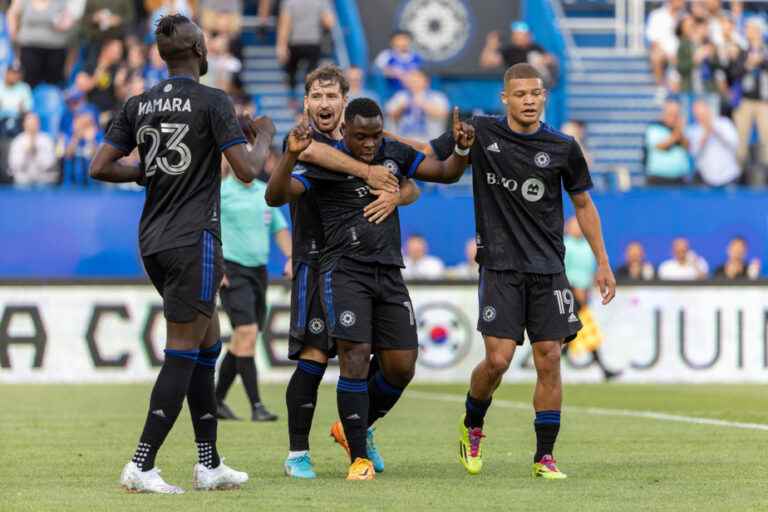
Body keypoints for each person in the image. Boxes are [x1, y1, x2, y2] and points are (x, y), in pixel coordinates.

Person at [89, 14, 269, 494]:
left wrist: (145, 172)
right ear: (200, 52)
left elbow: (99, 166)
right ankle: (141, 464)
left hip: (153, 240)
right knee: (184, 351)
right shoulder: (213, 101)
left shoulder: (139, 102)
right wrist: (265, 135)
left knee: (207, 347)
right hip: (195, 240)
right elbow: (248, 171)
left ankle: (209, 464)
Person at [267, 97, 474, 480]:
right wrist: (290, 157)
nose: (369, 144)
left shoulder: (393, 152)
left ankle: (352, 427)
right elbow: (275, 196)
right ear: (345, 131)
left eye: (375, 135)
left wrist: (461, 149)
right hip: (344, 271)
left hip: (389, 271)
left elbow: (444, 173)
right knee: (355, 356)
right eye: (361, 136)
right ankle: (359, 459)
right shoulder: (324, 160)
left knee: (401, 365)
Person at [425, 63, 616, 479]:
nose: (529, 100)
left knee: (550, 358)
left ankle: (544, 456)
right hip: (500, 266)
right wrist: (381, 152)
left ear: (544, 96)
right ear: (505, 98)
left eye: (536, 93)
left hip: (548, 269)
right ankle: (472, 424)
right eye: (521, 94)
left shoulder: (563, 146)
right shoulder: (481, 132)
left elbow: (583, 205)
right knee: (498, 360)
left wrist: (602, 261)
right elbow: (430, 154)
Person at [265, 65, 403, 480]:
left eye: (331, 97)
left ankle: (359, 431)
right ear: (306, 102)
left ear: (344, 102)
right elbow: (294, 171)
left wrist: (398, 191)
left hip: (362, 265)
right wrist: (371, 174)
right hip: (315, 258)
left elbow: (403, 164)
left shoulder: (360, 140)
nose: (324, 104)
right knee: (313, 357)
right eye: (317, 96)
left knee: (378, 357)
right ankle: (297, 454)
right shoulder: (304, 143)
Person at [214, 118, 289, 423]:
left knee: (244, 339)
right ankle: (256, 405)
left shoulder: (266, 192)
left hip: (258, 272)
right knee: (245, 333)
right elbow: (207, 228)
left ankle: (215, 400)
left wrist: (290, 257)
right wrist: (216, 265)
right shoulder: (221, 192)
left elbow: (281, 229)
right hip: (232, 269)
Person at [563, 217, 620, 381]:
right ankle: (603, 368)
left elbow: (591, 271)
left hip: (583, 293)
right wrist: (573, 290)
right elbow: (562, 270)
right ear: (568, 228)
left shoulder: (588, 247)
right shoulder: (565, 245)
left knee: (577, 329)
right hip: (569, 292)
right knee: (585, 329)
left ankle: (562, 354)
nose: (578, 229)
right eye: (575, 226)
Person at [276, 0, 334, 108]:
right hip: (313, 42)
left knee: (292, 73)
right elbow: (329, 22)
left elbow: (284, 24)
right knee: (311, 74)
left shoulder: (289, 2)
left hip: (295, 42)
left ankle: (293, 99)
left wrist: (281, 46)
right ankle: (309, 99)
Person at [731, 18, 768, 184]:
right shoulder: (742, 51)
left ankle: (766, 175)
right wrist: (748, 64)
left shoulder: (765, 51)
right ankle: (739, 174)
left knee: (767, 138)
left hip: (764, 102)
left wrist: (762, 61)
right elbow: (733, 73)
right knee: (741, 139)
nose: (747, 30)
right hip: (745, 101)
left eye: (750, 28)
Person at [480, 22, 558, 89]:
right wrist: (491, 45)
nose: (518, 37)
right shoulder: (510, 51)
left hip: (535, 89)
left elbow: (551, 60)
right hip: (517, 89)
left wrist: (544, 61)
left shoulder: (535, 48)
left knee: (534, 57)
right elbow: (486, 63)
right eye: (516, 34)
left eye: (523, 34)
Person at [385, 70, 449, 143]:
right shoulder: (400, 96)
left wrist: (423, 104)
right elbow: (390, 114)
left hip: (429, 141)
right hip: (404, 140)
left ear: (426, 81)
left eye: (416, 79)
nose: (413, 82)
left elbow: (443, 113)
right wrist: (403, 106)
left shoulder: (437, 96)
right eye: (411, 79)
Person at [687, 99, 740, 186]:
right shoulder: (693, 130)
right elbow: (694, 153)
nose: (701, 117)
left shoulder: (724, 123)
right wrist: (705, 136)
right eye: (698, 114)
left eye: (703, 113)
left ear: (708, 111)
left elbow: (734, 143)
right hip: (706, 180)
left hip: (729, 177)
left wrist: (715, 130)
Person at [644, 100, 691, 185]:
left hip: (680, 178)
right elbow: (661, 146)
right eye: (671, 113)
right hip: (659, 179)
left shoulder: (682, 130)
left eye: (676, 113)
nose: (674, 116)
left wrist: (680, 130)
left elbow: (687, 147)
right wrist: (678, 130)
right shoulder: (655, 128)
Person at [645, 0, 686, 94]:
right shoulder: (656, 15)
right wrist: (669, 55)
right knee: (655, 56)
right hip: (664, 53)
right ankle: (661, 88)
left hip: (681, 54)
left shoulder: (685, 16)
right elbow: (653, 40)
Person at [8, 111, 57, 185]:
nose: (32, 126)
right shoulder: (17, 141)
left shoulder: (47, 140)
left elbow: (49, 164)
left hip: (43, 181)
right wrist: (26, 153)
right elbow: (14, 165)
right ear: (24, 124)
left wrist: (36, 152)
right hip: (23, 181)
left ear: (38, 124)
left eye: (34, 123)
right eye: (30, 123)